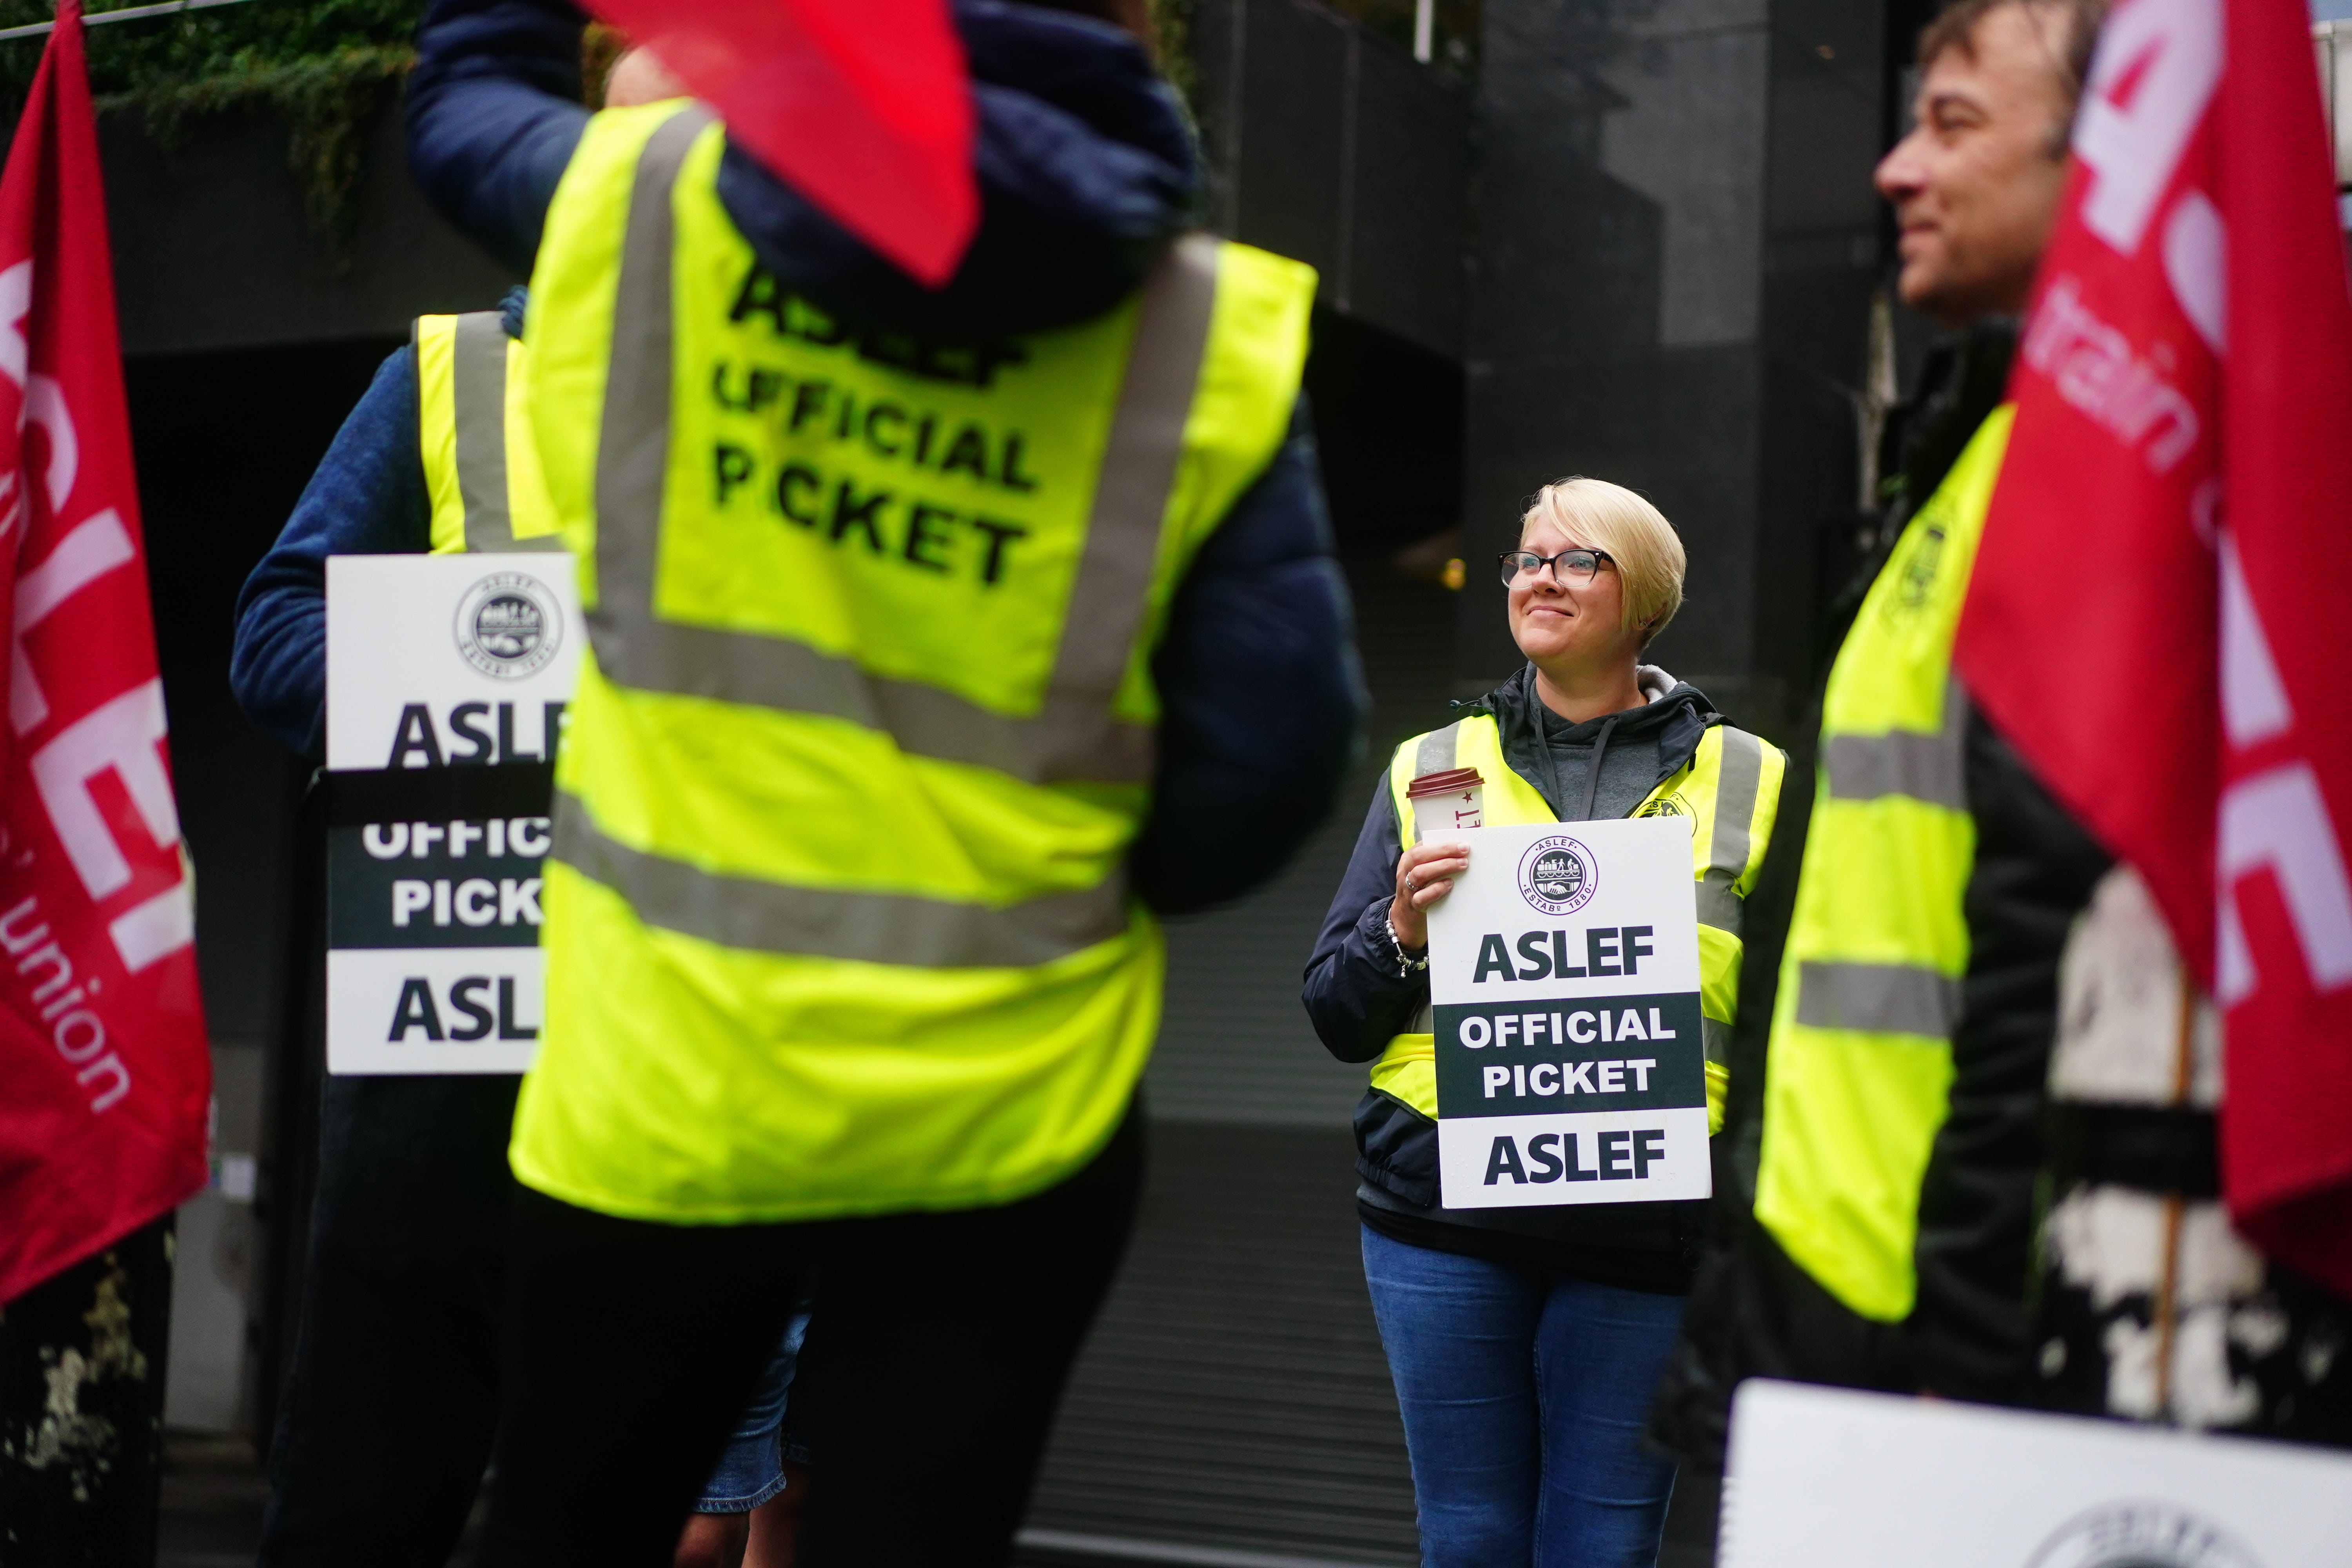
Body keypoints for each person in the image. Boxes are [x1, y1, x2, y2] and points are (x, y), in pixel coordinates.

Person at [400, 2, 1364, 1563]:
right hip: (1006, 1119)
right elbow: (1268, 764)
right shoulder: (1196, 326)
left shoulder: (645, 205)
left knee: (569, 1532)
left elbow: (461, 109)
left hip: (669, 1087)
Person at [1650, 0, 2349, 1463]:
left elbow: (2054, 971)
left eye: (1955, 123)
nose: (1899, 168)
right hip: (1824, 1301)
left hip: (1934, 1359)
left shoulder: (2121, 493)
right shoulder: (1978, 462)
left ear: (2114, 162)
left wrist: (1971, 1385)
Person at [230, 52, 813, 1568]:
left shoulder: (823, 411)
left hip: (685, 1054)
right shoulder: (455, 375)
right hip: (446, 1049)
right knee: (362, 1500)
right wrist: (487, 683)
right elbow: (275, 630)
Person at [1302, 478, 1786, 1568]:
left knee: (1604, 1552)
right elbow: (1336, 1009)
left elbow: (1796, 1029)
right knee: (1468, 1543)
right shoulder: (1432, 768)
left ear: (1645, 598)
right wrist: (1402, 933)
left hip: (1649, 1229)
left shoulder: (1755, 781)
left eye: (1578, 560)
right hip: (1441, 1225)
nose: (1540, 578)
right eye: (1527, 560)